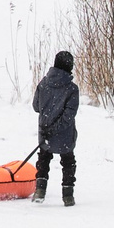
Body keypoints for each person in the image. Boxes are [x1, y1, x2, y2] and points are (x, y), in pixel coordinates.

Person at [31, 49, 79, 207]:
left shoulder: (43, 83)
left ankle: (40, 191)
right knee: (68, 162)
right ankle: (68, 196)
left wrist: (49, 125)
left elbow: (36, 106)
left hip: (45, 132)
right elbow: (69, 115)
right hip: (64, 135)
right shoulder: (72, 89)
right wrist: (57, 128)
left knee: (43, 160)